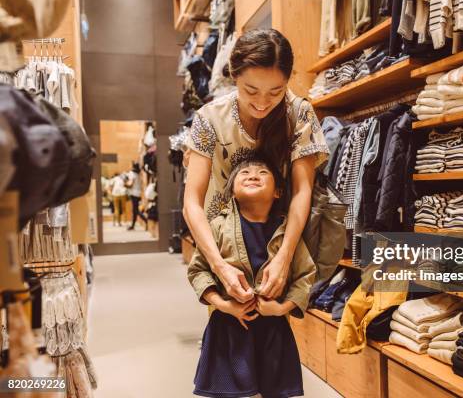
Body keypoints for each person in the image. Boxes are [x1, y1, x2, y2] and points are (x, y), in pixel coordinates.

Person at [183, 29, 329, 304]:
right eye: (251, 90)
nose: (262, 103)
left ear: (288, 81)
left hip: (277, 237)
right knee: (226, 324)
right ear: (233, 75)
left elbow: (302, 191)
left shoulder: (299, 113)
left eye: (276, 91)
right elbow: (192, 201)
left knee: (276, 329)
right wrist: (218, 265)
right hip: (222, 241)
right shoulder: (209, 118)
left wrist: (285, 258)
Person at [188, 159, 316, 397]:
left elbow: (304, 276)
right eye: (244, 173)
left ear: (278, 191)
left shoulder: (288, 232)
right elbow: (198, 271)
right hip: (227, 329)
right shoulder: (217, 226)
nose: (253, 175)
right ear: (232, 193)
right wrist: (224, 305)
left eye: (263, 172)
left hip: (273, 332)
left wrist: (280, 309)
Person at [125, 162, 147, 230]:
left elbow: (130, 184)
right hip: (138, 193)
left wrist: (125, 184)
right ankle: (133, 225)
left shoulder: (132, 174)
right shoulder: (138, 174)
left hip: (134, 194)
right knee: (135, 210)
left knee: (136, 210)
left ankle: (145, 219)